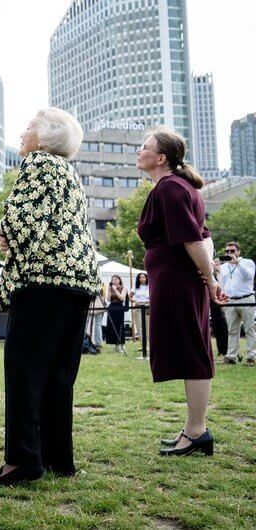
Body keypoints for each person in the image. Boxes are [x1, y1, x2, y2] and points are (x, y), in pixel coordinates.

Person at [0, 108, 99, 486]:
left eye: (30, 125)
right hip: (77, 280)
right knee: (59, 373)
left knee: (24, 369)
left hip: (43, 281)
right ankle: (57, 458)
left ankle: (21, 461)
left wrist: (4, 228)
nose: (23, 131)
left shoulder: (38, 163)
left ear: (47, 136)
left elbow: (23, 223)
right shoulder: (70, 172)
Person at [136, 126, 228, 457]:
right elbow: (205, 236)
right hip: (174, 281)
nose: (139, 151)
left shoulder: (171, 189)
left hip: (179, 281)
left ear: (161, 158)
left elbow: (194, 238)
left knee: (193, 353)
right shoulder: (174, 188)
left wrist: (210, 279)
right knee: (190, 350)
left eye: (144, 147)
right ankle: (192, 429)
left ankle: (197, 431)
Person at [218, 241, 256, 366]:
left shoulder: (247, 263)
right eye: (227, 251)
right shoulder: (223, 267)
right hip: (231, 301)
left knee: (250, 328)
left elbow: (249, 276)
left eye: (232, 251)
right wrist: (223, 299)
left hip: (246, 299)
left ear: (239, 251)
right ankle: (231, 357)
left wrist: (237, 262)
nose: (229, 253)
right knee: (232, 330)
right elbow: (222, 284)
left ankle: (252, 357)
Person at [209, 260, 229, 357]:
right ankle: (220, 350)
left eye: (217, 264)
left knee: (224, 328)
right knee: (217, 328)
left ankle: (226, 350)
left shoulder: (225, 274)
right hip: (214, 305)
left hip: (225, 301)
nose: (215, 266)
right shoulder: (210, 275)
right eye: (214, 264)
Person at [107, 275, 128, 353]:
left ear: (119, 280)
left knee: (119, 326)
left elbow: (122, 298)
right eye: (112, 280)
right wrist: (109, 291)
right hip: (111, 308)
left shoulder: (123, 288)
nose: (114, 281)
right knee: (112, 326)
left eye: (115, 279)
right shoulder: (111, 288)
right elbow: (108, 299)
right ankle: (116, 344)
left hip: (119, 308)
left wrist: (115, 290)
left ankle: (121, 344)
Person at [86, 283, 107, 351]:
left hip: (97, 305)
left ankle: (96, 342)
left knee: (95, 325)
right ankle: (93, 342)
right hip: (98, 305)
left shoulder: (101, 285)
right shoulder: (102, 285)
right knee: (94, 325)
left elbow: (100, 294)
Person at [131, 273, 150, 344]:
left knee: (147, 327)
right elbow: (130, 297)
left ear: (146, 278)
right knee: (139, 327)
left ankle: (147, 344)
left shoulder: (150, 286)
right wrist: (135, 301)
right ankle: (143, 344)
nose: (142, 279)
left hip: (147, 307)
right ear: (138, 279)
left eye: (143, 277)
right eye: (140, 277)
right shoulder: (135, 287)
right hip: (138, 307)